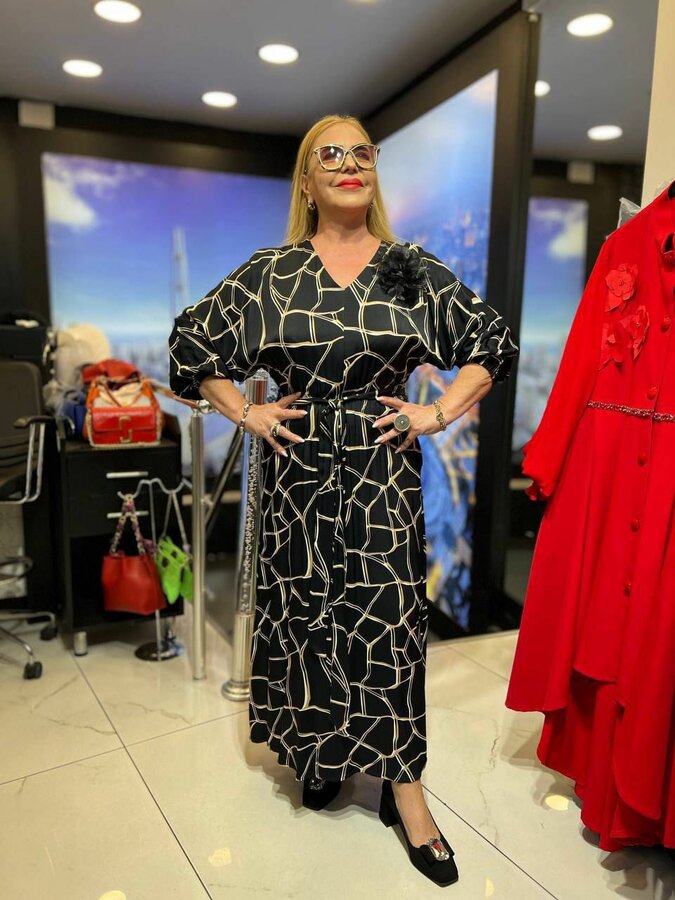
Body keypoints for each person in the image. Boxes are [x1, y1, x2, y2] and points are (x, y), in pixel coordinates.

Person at [169, 113, 518, 887]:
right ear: (306, 180)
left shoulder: (405, 270)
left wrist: (437, 411)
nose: (348, 163)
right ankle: (321, 752)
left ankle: (404, 790)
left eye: (361, 152)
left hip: (380, 471)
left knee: (387, 624)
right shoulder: (271, 273)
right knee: (304, 618)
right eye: (329, 153)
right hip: (295, 476)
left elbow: (489, 345)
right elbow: (192, 347)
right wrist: (245, 411)